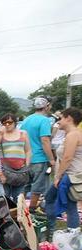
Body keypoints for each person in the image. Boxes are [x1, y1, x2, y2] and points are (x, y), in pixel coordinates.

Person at [45, 107, 82, 235]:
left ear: (69, 118)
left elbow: (67, 157)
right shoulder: (75, 134)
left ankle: (65, 233)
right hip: (72, 175)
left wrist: (58, 176)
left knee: (68, 206)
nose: (58, 122)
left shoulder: (73, 135)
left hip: (70, 176)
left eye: (60, 118)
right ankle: (67, 232)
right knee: (61, 202)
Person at [20, 96, 55, 213]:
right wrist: (51, 159)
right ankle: (32, 210)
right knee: (37, 187)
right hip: (39, 158)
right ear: (46, 106)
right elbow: (45, 140)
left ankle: (19, 209)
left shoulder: (26, 120)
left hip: (26, 158)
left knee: (25, 186)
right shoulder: (45, 120)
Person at [0, 113, 32, 202]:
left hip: (21, 171)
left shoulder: (23, 133)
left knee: (18, 198)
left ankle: (17, 214)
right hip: (5, 170)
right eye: (4, 123)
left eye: (9, 122)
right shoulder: (1, 134)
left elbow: (28, 150)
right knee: (5, 197)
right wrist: (0, 133)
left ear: (15, 122)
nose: (7, 124)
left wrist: (27, 164)